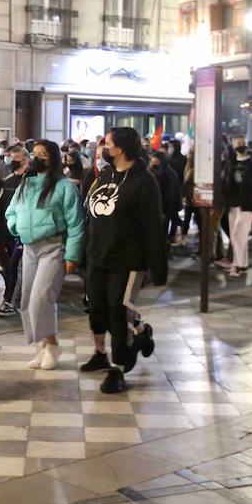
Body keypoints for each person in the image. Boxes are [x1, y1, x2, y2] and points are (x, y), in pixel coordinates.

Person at [83, 128, 168, 394]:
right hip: (98, 255)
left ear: (120, 149)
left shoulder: (144, 181)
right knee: (97, 308)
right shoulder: (105, 174)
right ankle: (140, 332)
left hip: (128, 259)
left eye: (107, 144)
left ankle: (118, 368)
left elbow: (154, 226)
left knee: (118, 311)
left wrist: (158, 267)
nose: (103, 148)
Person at [4, 139, 85, 371]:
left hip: (53, 247)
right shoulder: (25, 185)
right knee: (28, 300)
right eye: (35, 153)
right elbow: (11, 212)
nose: (37, 157)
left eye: (43, 154)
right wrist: (16, 227)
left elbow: (76, 224)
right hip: (29, 249)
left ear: (53, 159)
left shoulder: (64, 187)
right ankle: (43, 345)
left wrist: (72, 256)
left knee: (42, 297)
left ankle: (52, 345)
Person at [219, 138, 252, 278]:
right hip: (233, 203)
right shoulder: (230, 163)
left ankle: (237, 264)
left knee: (239, 234)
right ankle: (242, 264)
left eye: (242, 143)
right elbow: (224, 182)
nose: (240, 146)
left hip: (248, 204)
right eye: (238, 144)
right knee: (236, 235)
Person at [0, 144, 28, 316]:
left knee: (15, 266)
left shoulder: (31, 180)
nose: (12, 161)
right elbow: (0, 204)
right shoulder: (9, 181)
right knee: (10, 264)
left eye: (16, 158)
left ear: (26, 160)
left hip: (24, 231)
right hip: (7, 227)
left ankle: (12, 299)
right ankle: (12, 296)